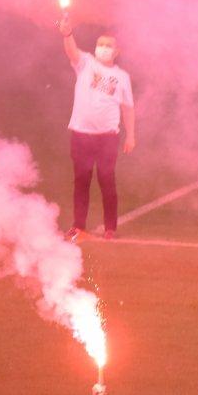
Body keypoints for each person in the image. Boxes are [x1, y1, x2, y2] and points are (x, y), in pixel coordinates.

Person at [59, 16, 135, 241]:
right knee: (81, 180)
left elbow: (128, 108)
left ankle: (110, 227)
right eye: (100, 44)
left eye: (108, 45)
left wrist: (131, 135)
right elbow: (71, 51)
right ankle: (78, 226)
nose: (103, 48)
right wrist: (67, 34)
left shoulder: (122, 77)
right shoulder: (85, 63)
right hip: (81, 134)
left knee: (106, 179)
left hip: (107, 137)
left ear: (116, 51)